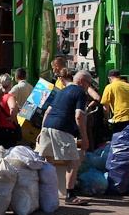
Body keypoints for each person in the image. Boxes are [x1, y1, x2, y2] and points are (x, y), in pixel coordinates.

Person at [38, 70, 92, 206]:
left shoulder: (61, 91)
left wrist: (42, 131)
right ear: (81, 81)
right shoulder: (80, 93)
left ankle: (46, 193)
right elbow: (79, 116)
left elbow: (48, 111)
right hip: (61, 128)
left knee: (48, 160)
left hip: (47, 126)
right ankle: (70, 195)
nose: (88, 87)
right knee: (74, 161)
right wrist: (85, 138)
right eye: (88, 83)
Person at [100, 69, 129, 134]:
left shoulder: (110, 87)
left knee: (119, 139)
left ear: (109, 78)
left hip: (121, 117)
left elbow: (105, 106)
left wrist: (106, 118)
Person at [0, 73, 21, 149]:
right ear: (10, 84)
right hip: (9, 129)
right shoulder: (9, 97)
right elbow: (13, 107)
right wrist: (12, 117)